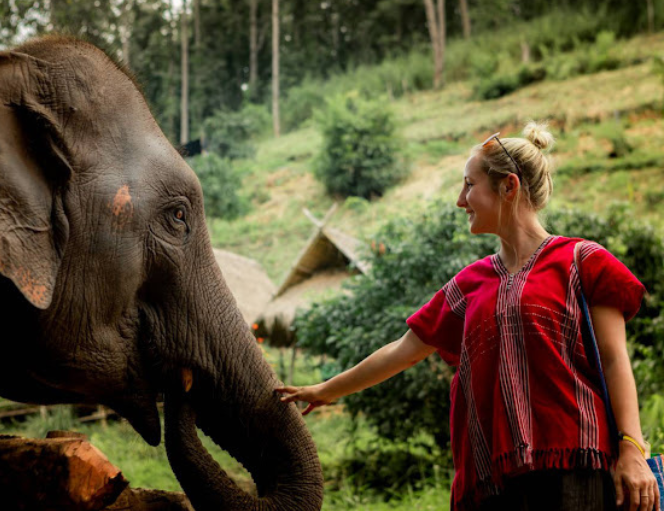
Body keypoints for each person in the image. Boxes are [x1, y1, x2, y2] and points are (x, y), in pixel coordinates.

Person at [276, 122, 660, 511]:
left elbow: (614, 359)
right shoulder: (469, 283)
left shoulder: (583, 261)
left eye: (469, 185)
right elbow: (403, 351)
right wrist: (324, 391)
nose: (461, 200)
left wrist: (631, 447)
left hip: (574, 468)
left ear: (508, 186)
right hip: (492, 480)